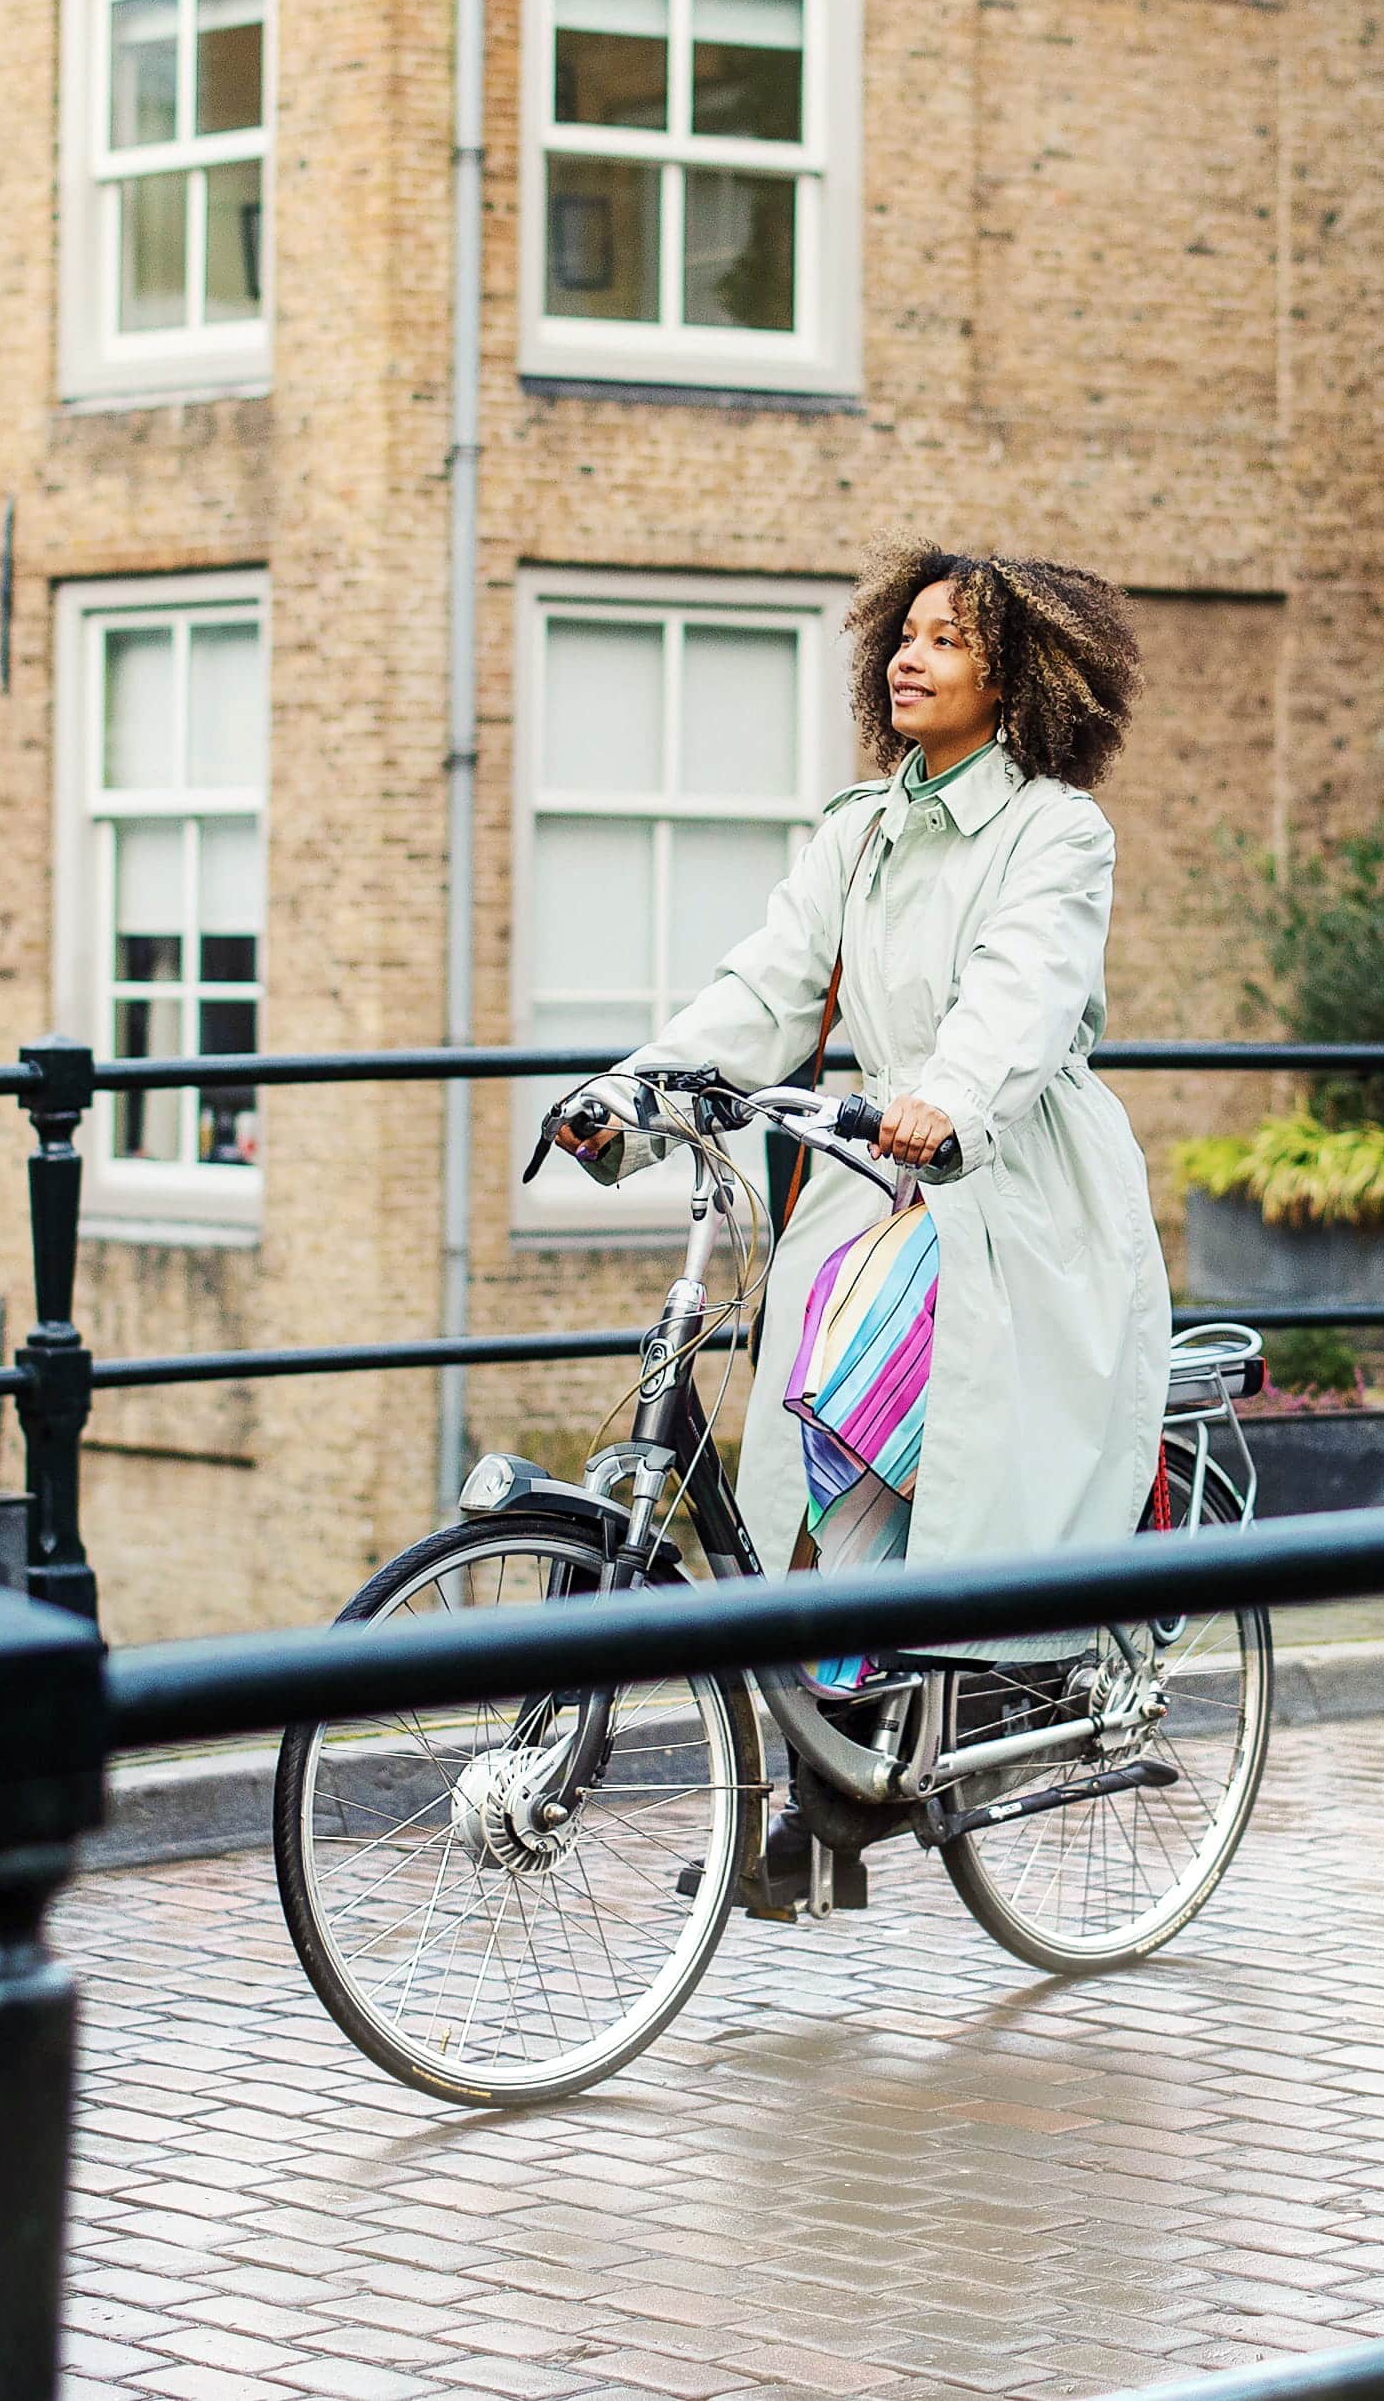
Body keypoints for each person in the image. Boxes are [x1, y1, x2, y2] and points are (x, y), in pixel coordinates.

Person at [549, 544, 1166, 1908]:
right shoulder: (859, 828)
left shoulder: (1055, 832)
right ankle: (834, 1751)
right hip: (874, 1169)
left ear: (1014, 680)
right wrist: (629, 1097)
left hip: (1006, 1175)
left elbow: (1023, 990)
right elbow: (763, 989)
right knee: (788, 1437)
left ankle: (868, 1732)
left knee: (846, 1388)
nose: (911, 657)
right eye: (905, 633)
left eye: (949, 642)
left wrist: (944, 1098)